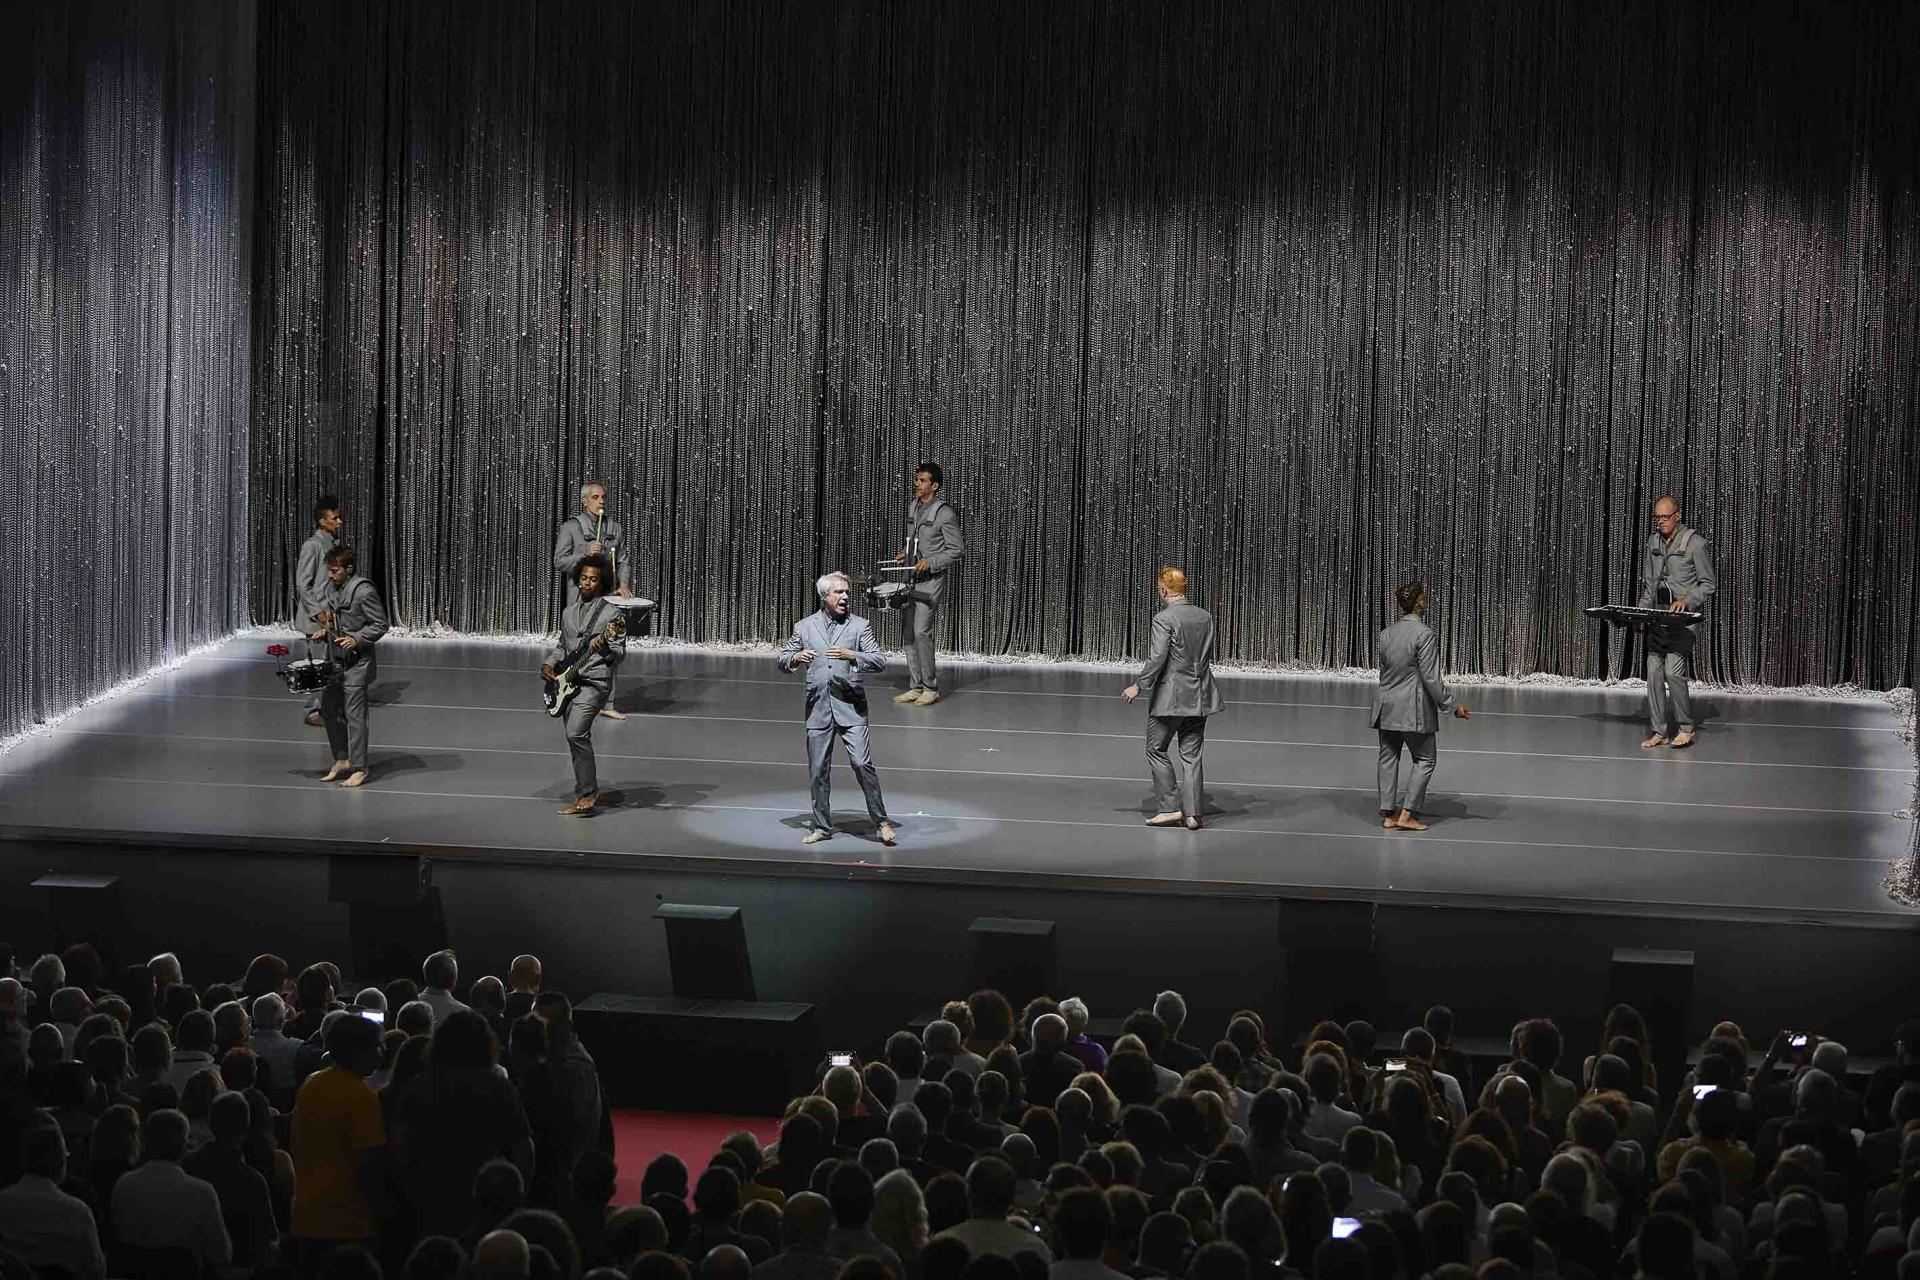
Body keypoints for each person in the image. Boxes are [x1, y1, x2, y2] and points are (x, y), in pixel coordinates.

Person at [778, 571, 896, 847]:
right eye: (838, 593)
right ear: (824, 597)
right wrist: (795, 657)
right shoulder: (804, 627)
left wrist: (851, 655)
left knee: (861, 763)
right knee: (818, 770)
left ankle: (881, 821)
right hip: (818, 707)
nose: (844, 597)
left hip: (851, 707)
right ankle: (822, 826)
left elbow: (879, 660)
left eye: (846, 592)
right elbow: (782, 659)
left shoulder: (859, 626)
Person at [1122, 567, 1223, 831]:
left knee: (1156, 749)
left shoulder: (1164, 618)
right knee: (1191, 755)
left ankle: (1169, 808)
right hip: (1200, 694)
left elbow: (1158, 658)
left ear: (1164, 590)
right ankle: (1193, 815)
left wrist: (1139, 685)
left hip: (1172, 696)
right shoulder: (1204, 616)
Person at [1370, 581, 1470, 832]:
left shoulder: (1386, 634)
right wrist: (1453, 705)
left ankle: (1388, 814)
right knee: (1425, 758)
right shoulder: (1424, 634)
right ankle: (1407, 814)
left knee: (1388, 757)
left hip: (1385, 706)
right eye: (1424, 598)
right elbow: (1431, 678)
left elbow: (1385, 673)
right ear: (1419, 602)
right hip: (1411, 708)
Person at [541, 555, 627, 815]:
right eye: (583, 578)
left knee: (575, 733)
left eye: (593, 580)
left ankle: (589, 793)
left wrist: (604, 650)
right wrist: (548, 664)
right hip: (568, 681)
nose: (587, 583)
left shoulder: (613, 614)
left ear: (602, 584)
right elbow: (561, 647)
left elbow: (619, 653)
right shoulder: (568, 613)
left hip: (594, 683)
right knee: (575, 739)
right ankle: (584, 790)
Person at [1636, 496, 1716, 749]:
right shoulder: (1652, 543)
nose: (1660, 522)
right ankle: (1659, 731)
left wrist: (1688, 599)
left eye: (1665, 517)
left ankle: (1685, 728)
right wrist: (1641, 613)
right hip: (1658, 620)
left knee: (1673, 670)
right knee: (1654, 672)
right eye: (1656, 518)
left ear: (1677, 516)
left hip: (1683, 622)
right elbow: (1650, 585)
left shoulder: (1695, 544)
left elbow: (1708, 585)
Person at [313, 544, 389, 788]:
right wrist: (323, 632)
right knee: (328, 707)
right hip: (335, 660)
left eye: (335, 571)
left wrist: (357, 638)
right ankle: (342, 758)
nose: (330, 575)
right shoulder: (334, 589)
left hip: (357, 663)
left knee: (355, 716)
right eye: (329, 570)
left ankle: (359, 767)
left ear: (348, 569)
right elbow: (337, 620)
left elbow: (380, 624)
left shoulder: (363, 591)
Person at [890, 462, 964, 707]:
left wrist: (930, 561)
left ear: (935, 485)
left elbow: (957, 550)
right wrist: (905, 553)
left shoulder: (945, 514)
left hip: (930, 580)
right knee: (909, 633)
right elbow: (915, 541)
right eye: (916, 479)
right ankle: (916, 686)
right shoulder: (914, 506)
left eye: (922, 481)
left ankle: (930, 687)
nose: (917, 484)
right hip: (911, 577)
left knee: (922, 631)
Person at [298, 495, 344, 727]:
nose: (339, 522)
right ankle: (313, 710)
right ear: (322, 521)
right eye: (335, 518)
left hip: (331, 617)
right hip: (317, 618)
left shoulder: (332, 545)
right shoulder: (313, 545)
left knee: (328, 665)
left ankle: (328, 708)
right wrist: (318, 613)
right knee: (316, 665)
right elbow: (303, 583)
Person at [554, 480, 633, 604]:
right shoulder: (570, 527)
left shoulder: (615, 528)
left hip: (609, 596)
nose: (601, 502)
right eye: (595, 497)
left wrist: (623, 584)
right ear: (584, 502)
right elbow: (559, 562)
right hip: (580, 599)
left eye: (603, 497)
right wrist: (585, 553)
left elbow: (623, 561)